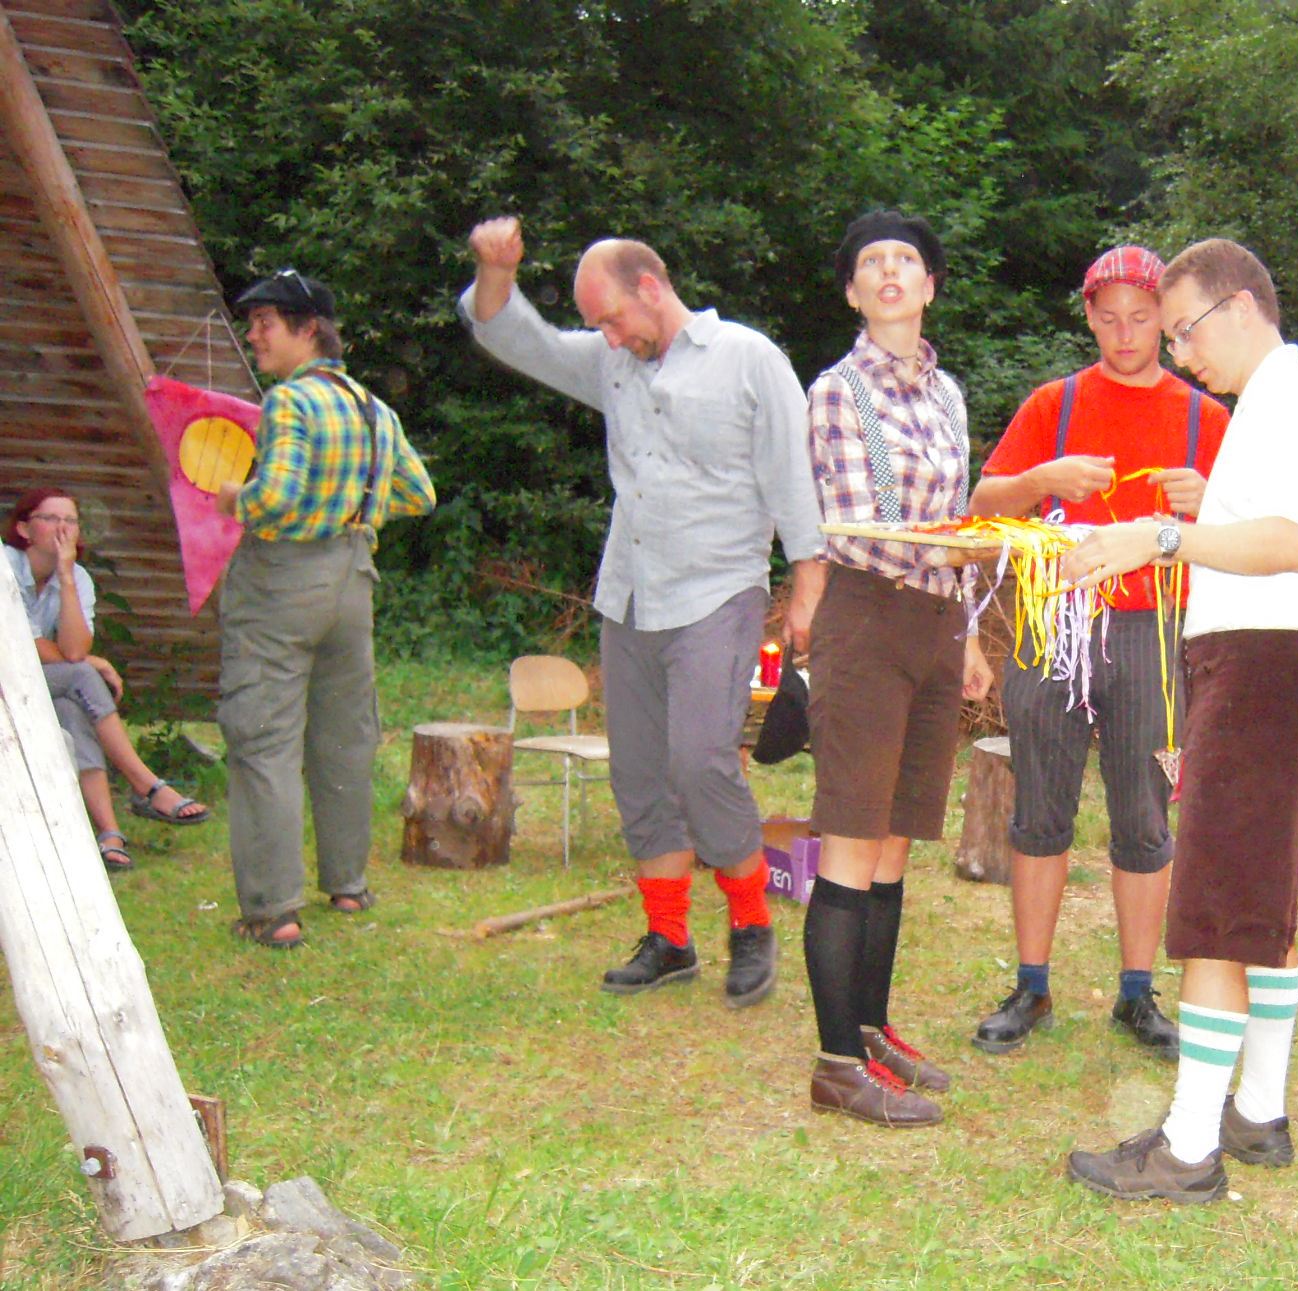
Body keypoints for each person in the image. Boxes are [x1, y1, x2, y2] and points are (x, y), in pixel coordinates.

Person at [461, 219, 826, 1006]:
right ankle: (669, 938)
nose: (608, 336)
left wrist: (808, 585)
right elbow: (512, 336)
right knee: (639, 774)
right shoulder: (613, 362)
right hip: (629, 594)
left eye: (612, 318)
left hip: (718, 591)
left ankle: (751, 924)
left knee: (699, 761)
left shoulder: (748, 358)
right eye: (598, 326)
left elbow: (793, 477)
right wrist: (496, 271)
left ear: (651, 289)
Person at [1061, 239, 1298, 1202]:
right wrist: (1198, 517)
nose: (1181, 354)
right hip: (1259, 665)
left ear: (1238, 307)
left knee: (1218, 916)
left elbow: (1289, 543)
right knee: (1257, 901)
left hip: (1260, 667)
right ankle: (1257, 1111)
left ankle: (1189, 1150)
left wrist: (1160, 535)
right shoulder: (1272, 404)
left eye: (1185, 330)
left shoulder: (1295, 400)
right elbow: (1262, 531)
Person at [967, 245, 1229, 1059]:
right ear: (1088, 316)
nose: (1125, 334)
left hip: (1153, 634)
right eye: (1109, 318)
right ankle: (1031, 986)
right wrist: (1040, 478)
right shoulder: (1056, 404)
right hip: (1053, 625)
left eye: (1141, 318)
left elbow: (1255, 534)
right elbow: (982, 503)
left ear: (1167, 322)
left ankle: (1138, 993)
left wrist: (1209, 502)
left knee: (1145, 816)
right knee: (1038, 809)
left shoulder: (1205, 418)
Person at [802, 210, 995, 1127]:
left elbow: (954, 515)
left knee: (893, 843)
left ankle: (870, 1028)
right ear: (853, 292)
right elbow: (859, 523)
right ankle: (835, 1065)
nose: (889, 271)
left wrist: (972, 629)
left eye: (906, 260)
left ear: (929, 286)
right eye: (871, 262)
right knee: (850, 837)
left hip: (935, 622)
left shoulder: (949, 394)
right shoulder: (837, 392)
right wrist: (980, 534)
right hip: (867, 617)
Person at [219, 269, 436, 949]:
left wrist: (234, 499)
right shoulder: (373, 407)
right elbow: (420, 493)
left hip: (282, 583)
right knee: (344, 740)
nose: (254, 336)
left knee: (264, 738)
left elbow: (276, 498)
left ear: (309, 328)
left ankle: (273, 910)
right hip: (352, 582)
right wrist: (352, 508)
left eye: (266, 323)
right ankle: (347, 884)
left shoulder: (289, 401)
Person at [6, 487, 211, 872]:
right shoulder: (5, 566)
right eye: (50, 519)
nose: (62, 529)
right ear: (23, 528)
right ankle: (146, 784)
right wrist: (91, 661)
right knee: (83, 675)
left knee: (72, 708)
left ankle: (109, 832)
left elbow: (73, 648)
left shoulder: (77, 578)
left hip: (33, 683)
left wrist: (66, 577)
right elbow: (21, 643)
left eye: (71, 521)